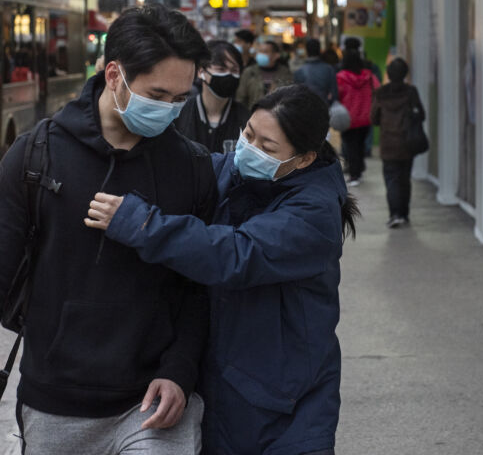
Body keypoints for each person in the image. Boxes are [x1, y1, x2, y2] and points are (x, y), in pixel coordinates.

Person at [0, 4, 217, 455]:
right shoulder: (36, 156)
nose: (169, 110)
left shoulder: (190, 167)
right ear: (114, 75)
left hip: (152, 403)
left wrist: (180, 370)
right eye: (157, 95)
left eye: (180, 98)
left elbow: (198, 286)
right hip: (54, 403)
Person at [85, 84, 359, 455]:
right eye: (248, 134)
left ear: (304, 159)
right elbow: (182, 174)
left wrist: (141, 224)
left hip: (288, 401)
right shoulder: (235, 172)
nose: (250, 149)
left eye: (268, 147)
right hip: (227, 384)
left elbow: (234, 254)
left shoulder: (314, 213)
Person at [370, 57, 425, 228]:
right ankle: (404, 214)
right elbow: (421, 115)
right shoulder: (411, 92)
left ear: (388, 73)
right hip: (407, 142)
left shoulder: (380, 93)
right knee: (404, 178)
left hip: (388, 143)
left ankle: (394, 214)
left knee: (391, 179)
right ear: (405, 74)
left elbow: (374, 118)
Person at [175, 40, 249, 153]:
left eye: (234, 70)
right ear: (201, 71)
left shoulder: (246, 118)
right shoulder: (179, 112)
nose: (228, 75)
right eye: (221, 69)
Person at [337, 49, 379, 186]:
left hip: (348, 118)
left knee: (350, 146)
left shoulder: (341, 77)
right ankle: (359, 170)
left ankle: (354, 174)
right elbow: (378, 90)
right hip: (366, 117)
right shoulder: (369, 76)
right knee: (360, 145)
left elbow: (337, 94)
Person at [236, 40, 293, 110]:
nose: (260, 55)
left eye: (265, 52)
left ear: (276, 55)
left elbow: (289, 98)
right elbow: (240, 99)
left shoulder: (285, 73)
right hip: (253, 116)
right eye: (259, 51)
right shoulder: (249, 72)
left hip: (277, 117)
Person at [293, 38, 339, 104]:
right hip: (325, 108)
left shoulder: (299, 71)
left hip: (306, 109)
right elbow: (334, 94)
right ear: (319, 50)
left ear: (306, 51)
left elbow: (296, 96)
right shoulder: (329, 69)